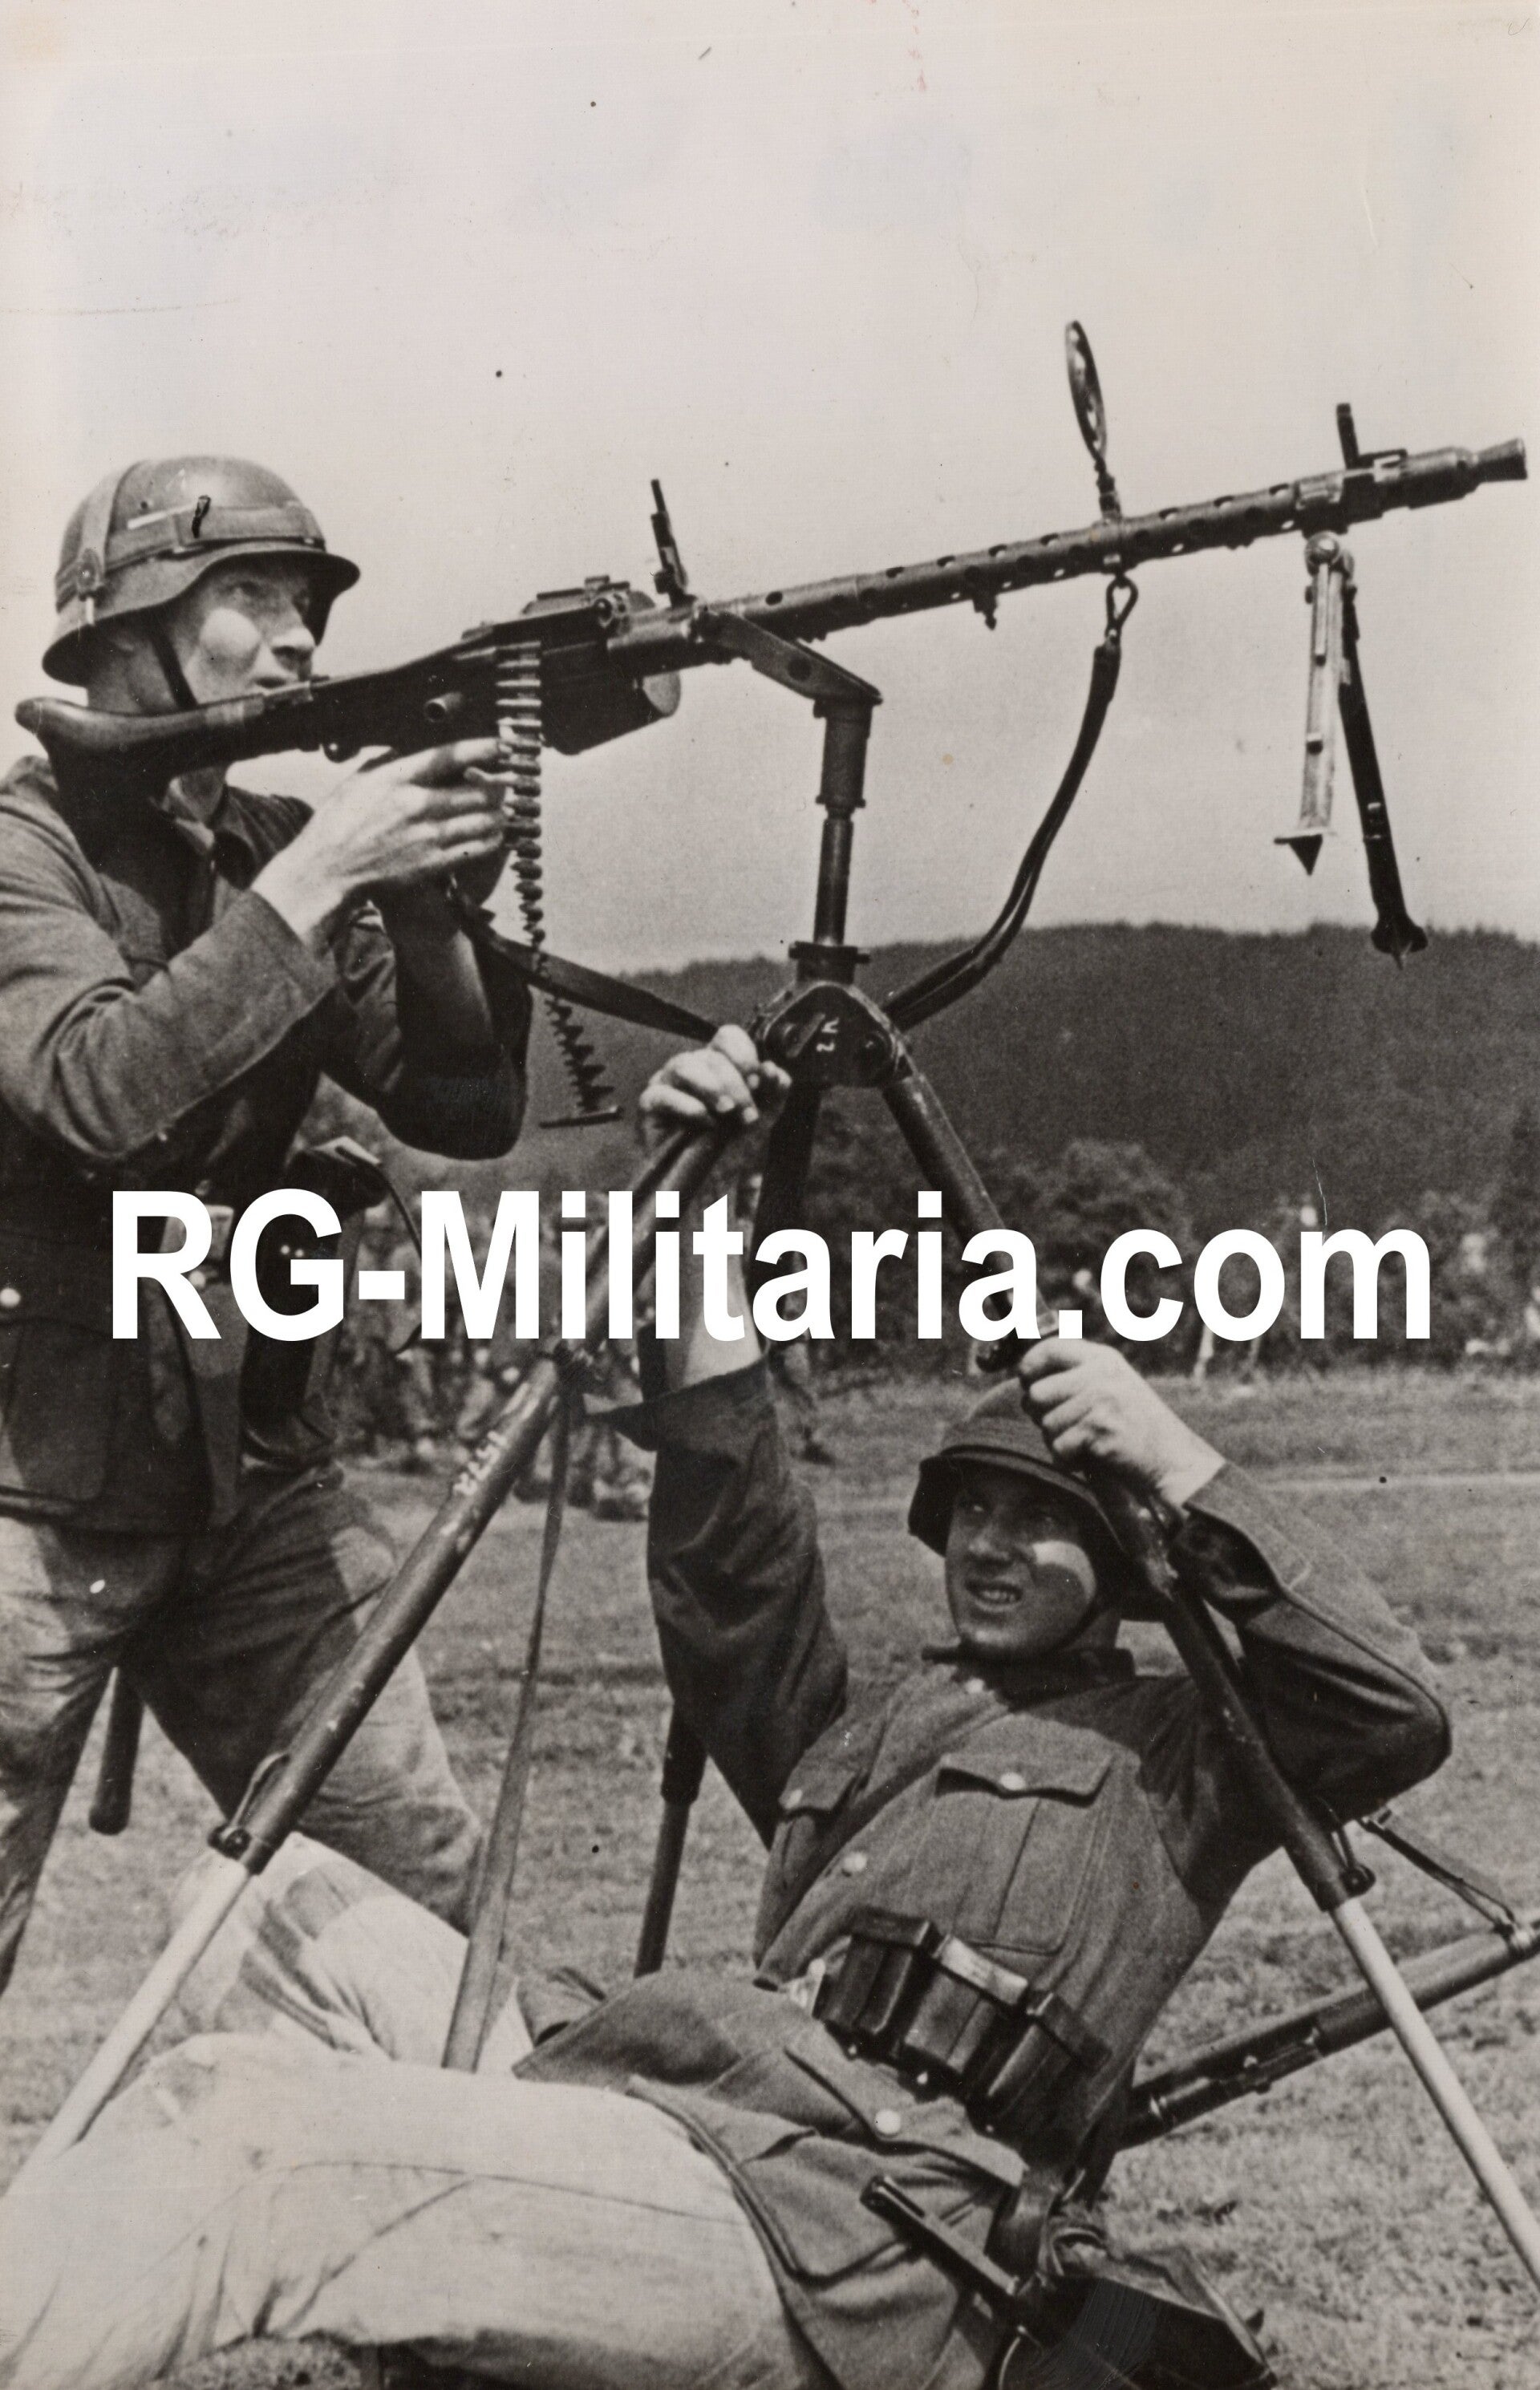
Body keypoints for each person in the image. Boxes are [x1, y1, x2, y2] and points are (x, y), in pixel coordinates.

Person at [0, 1031, 1449, 2390]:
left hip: (847, 2233)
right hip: (678, 2100)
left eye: (1045, 1521)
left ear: (1128, 1558)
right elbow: (735, 1563)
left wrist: (1174, 1454)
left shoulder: (1186, 1754)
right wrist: (692, 1219)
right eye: (973, 1514)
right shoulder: (882, 1728)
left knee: (259, 2134)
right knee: (264, 1903)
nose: (993, 1549)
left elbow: (1387, 1708)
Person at [0, 455, 534, 1987]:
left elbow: (460, 1107)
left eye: (306, 605)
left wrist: (429, 917)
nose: (299, 638)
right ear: (131, 625)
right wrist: (326, 873)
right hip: (30, 1491)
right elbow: (96, 1092)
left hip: (249, 1480)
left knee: (423, 1902)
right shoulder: (25, 851)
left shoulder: (265, 844)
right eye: (253, 597)